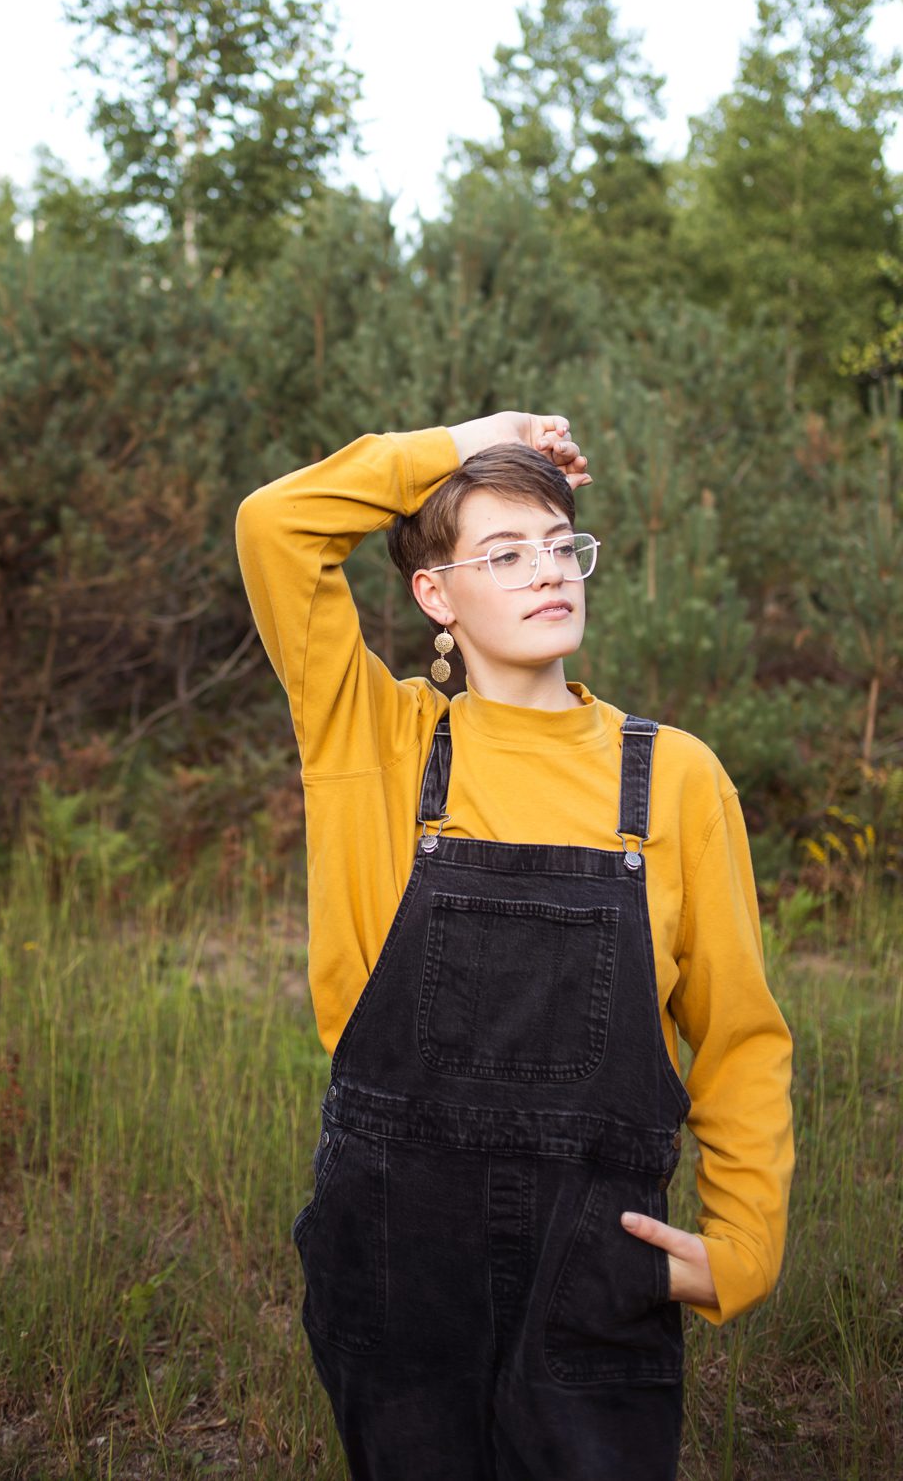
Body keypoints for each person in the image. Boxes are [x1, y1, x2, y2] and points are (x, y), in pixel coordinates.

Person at [233, 411, 794, 1478]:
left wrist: (743, 1243)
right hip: (395, 1259)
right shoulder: (376, 740)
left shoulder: (672, 775)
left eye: (556, 543)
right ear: (432, 595)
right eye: (502, 553)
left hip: (592, 1263)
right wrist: (463, 440)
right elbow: (274, 525)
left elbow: (737, 1036)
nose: (546, 571)